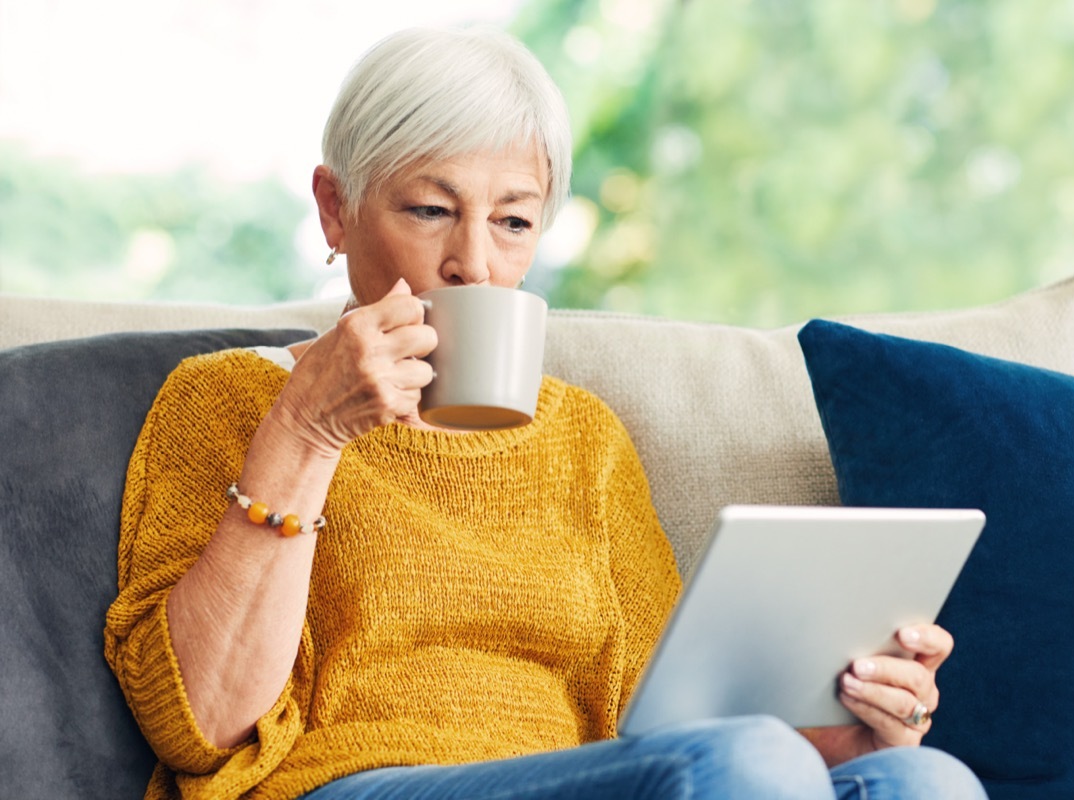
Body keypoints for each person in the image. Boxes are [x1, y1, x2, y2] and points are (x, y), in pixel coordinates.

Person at [103, 26, 987, 800]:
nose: (474, 263)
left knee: (925, 779)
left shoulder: (583, 439)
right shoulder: (232, 397)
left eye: (515, 222)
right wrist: (308, 430)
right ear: (336, 210)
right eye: (430, 209)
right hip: (344, 784)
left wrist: (848, 731)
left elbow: (670, 729)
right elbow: (204, 724)